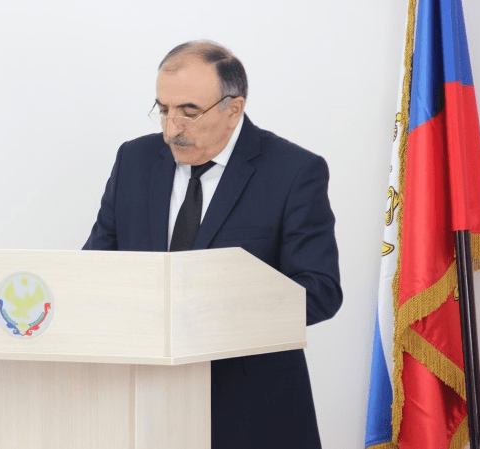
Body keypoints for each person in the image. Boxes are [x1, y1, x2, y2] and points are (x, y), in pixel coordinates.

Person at [83, 40, 342, 449]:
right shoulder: (134, 160)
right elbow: (95, 269)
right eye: (163, 109)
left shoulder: (293, 171)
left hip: (252, 411)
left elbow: (320, 291)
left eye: (188, 112)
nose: (171, 129)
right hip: (142, 403)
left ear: (233, 109)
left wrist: (215, 308)